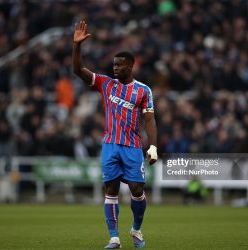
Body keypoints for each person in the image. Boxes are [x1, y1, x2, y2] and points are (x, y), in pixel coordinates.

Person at [72, 20, 158, 249]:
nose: (115, 68)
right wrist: (77, 46)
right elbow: (78, 70)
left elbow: (149, 119)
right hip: (110, 145)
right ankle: (114, 238)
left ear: (130, 66)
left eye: (119, 65)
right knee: (110, 189)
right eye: (114, 65)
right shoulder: (106, 84)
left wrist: (153, 147)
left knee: (137, 190)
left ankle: (136, 230)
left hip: (132, 147)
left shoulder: (143, 90)